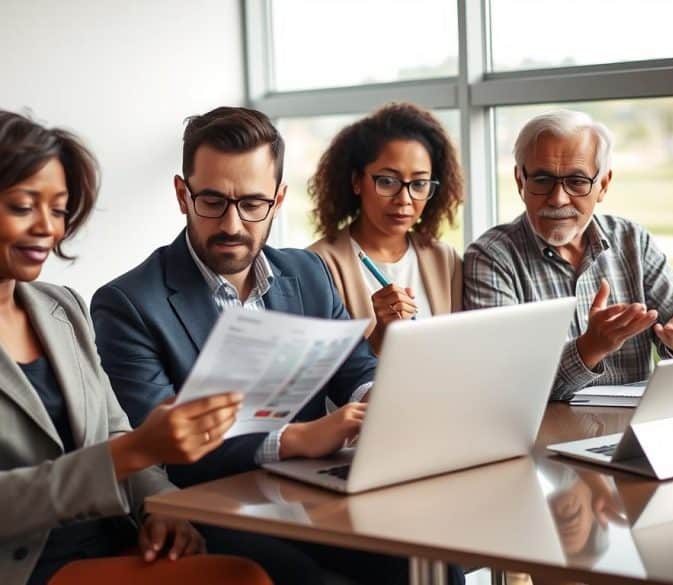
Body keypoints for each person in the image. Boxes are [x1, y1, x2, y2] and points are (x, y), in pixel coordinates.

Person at [0, 109, 270, 585]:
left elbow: (111, 432)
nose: (48, 228)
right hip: (3, 568)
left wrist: (160, 509)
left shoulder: (61, 307)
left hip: (109, 541)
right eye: (24, 206)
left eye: (59, 208)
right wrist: (132, 452)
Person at [91, 106, 462, 585]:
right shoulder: (129, 303)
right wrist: (293, 439)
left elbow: (356, 368)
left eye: (252, 204)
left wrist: (375, 404)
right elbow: (156, 444)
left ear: (279, 199)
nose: (232, 224)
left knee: (430, 555)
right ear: (182, 195)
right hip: (213, 504)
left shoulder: (306, 274)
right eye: (212, 201)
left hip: (310, 492)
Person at [463, 109, 673, 400]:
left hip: (629, 433)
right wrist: (589, 348)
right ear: (520, 181)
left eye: (576, 181)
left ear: (603, 185)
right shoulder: (491, 257)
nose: (558, 198)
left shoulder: (633, 242)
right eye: (542, 179)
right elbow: (502, 386)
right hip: (541, 440)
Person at [308, 102, 464, 353]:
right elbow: (326, 380)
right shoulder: (318, 264)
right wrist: (380, 336)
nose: (404, 199)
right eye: (388, 181)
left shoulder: (445, 260)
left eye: (419, 183)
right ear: (357, 181)